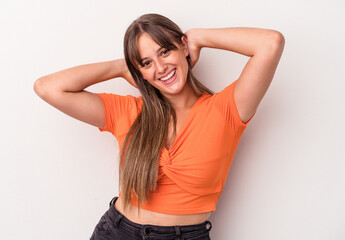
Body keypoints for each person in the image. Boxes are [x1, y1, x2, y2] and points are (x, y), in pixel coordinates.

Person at [34, 13, 284, 240]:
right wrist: (121, 68)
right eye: (146, 63)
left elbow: (270, 43)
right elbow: (48, 88)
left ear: (182, 47)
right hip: (118, 232)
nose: (160, 68)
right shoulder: (128, 112)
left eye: (164, 52)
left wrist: (198, 37)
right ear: (139, 72)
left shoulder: (226, 109)